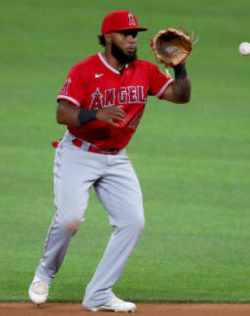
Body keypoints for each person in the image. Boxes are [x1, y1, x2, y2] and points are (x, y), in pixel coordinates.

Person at [28, 10, 191, 313]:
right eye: (125, 34)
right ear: (106, 38)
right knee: (69, 220)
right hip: (79, 152)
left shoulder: (144, 70)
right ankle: (44, 273)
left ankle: (99, 293)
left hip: (116, 159)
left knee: (133, 222)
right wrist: (96, 114)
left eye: (135, 35)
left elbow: (181, 96)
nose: (132, 39)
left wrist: (180, 67)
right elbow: (62, 113)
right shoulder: (85, 70)